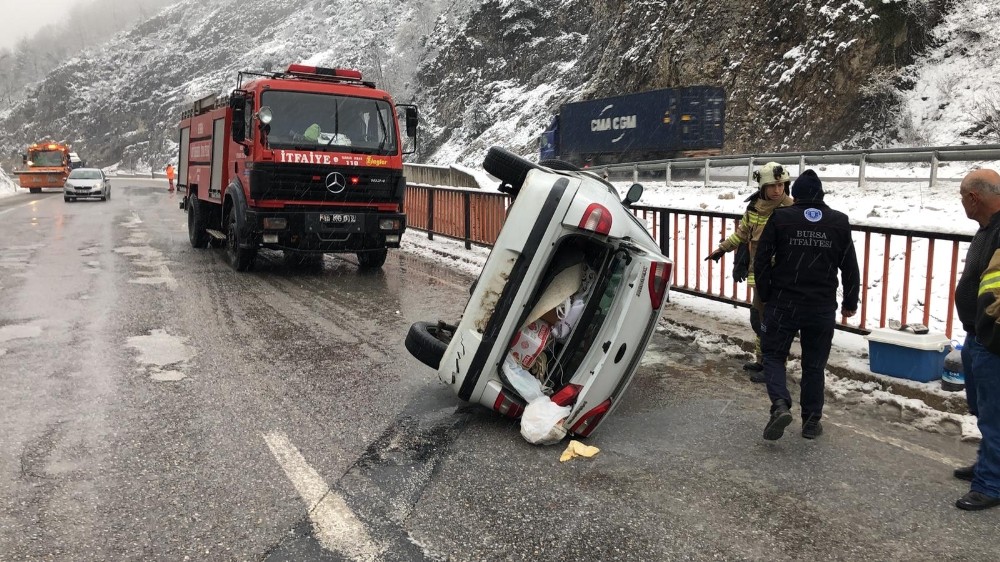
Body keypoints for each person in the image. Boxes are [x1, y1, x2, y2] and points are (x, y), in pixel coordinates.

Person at [753, 169, 860, 440]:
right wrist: (850, 302)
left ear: (795, 194)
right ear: (821, 195)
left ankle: (780, 404)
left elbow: (762, 260)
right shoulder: (839, 222)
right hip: (821, 306)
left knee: (774, 356)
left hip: (783, 302)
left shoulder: (781, 218)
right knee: (814, 365)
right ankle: (811, 422)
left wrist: (764, 294)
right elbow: (850, 266)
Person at [705, 162, 794, 382]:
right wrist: (722, 249)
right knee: (759, 320)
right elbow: (742, 234)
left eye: (781, 185)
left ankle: (775, 368)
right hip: (759, 274)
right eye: (773, 185)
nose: (777, 190)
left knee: (772, 323)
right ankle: (761, 360)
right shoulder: (754, 208)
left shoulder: (790, 209)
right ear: (763, 187)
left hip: (779, 276)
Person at [952, 168, 1000, 510]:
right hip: (976, 334)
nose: (961, 203)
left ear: (974, 198)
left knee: (995, 413)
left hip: (994, 339)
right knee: (982, 408)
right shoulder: (987, 228)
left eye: (962, 197)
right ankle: (988, 465)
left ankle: (991, 483)